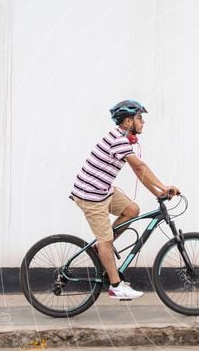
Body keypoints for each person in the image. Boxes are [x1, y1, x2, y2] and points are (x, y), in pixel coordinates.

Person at [69, 99, 180, 300]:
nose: (143, 122)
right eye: (139, 118)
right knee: (106, 240)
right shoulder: (118, 140)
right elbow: (140, 167)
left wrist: (158, 194)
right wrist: (164, 187)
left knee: (132, 210)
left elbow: (140, 173)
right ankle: (115, 286)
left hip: (103, 190)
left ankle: (101, 249)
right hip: (90, 195)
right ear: (128, 121)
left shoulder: (123, 139)